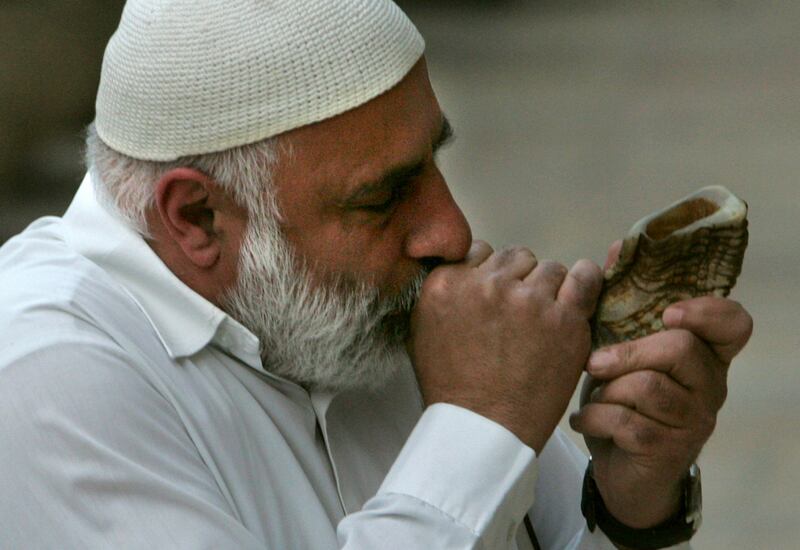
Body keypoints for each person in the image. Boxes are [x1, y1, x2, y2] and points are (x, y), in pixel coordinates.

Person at [0, 1, 752, 548]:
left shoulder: (353, 308)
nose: (450, 231)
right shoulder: (39, 376)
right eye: (384, 195)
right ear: (196, 218)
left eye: (433, 162)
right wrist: (480, 424)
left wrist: (630, 500)